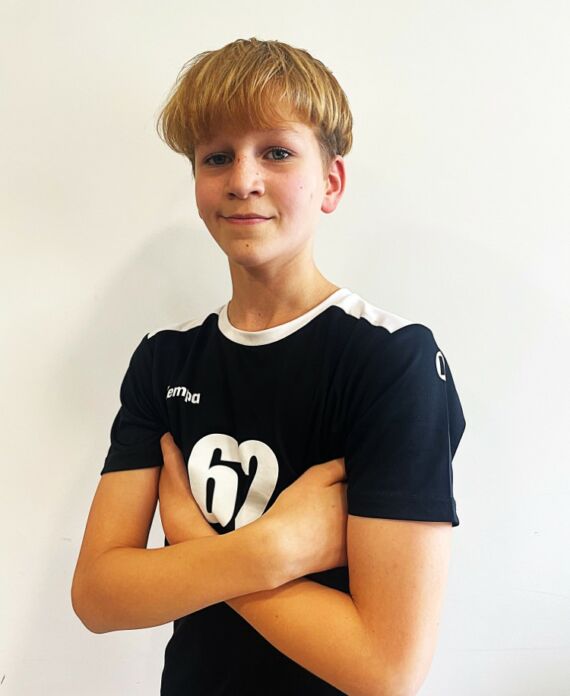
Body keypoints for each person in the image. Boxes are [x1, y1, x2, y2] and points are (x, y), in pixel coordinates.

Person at [71, 37, 466, 696]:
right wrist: (269, 550)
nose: (242, 180)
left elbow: (385, 669)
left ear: (331, 182)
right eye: (217, 157)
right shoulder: (164, 360)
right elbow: (98, 596)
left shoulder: (394, 362)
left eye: (277, 152)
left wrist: (194, 543)